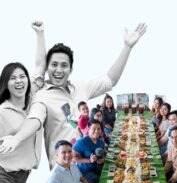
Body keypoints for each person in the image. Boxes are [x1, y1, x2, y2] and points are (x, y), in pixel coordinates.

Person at [0, 21, 147, 169]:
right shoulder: (42, 95)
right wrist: (17, 139)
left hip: (91, 163)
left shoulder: (80, 87)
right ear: (47, 68)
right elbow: (34, 119)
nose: (58, 70)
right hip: (65, 171)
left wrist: (127, 48)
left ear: (70, 69)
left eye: (64, 65)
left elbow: (110, 80)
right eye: (54, 65)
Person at [0, 62, 41, 183]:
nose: (19, 81)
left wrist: (40, 35)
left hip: (22, 179)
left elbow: (39, 69)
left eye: (22, 76)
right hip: (3, 177)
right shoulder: (2, 111)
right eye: (13, 78)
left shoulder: (34, 104)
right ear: (6, 84)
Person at [72, 119, 106, 183]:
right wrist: (89, 160)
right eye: (94, 128)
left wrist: (102, 159)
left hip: (97, 167)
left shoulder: (100, 142)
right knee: (101, 182)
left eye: (98, 129)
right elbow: (73, 158)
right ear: (88, 129)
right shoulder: (82, 142)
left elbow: (102, 155)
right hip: (85, 171)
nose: (96, 131)